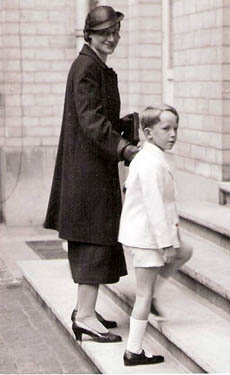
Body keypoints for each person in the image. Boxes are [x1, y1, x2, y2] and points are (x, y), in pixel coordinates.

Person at [44, 6, 139, 344]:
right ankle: (84, 316)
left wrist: (124, 128)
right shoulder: (86, 67)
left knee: (97, 238)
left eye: (115, 31)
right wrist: (125, 148)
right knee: (93, 240)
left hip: (92, 168)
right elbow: (91, 121)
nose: (112, 38)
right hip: (87, 174)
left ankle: (86, 310)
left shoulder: (94, 66)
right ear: (90, 34)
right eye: (104, 33)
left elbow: (97, 118)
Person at [118, 104, 193, 366]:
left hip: (146, 233)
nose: (173, 134)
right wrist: (165, 243)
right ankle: (133, 350)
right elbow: (153, 206)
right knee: (143, 294)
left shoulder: (152, 157)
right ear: (148, 133)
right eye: (166, 129)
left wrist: (173, 238)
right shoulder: (149, 162)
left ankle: (151, 298)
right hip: (146, 237)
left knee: (185, 251)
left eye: (176, 128)